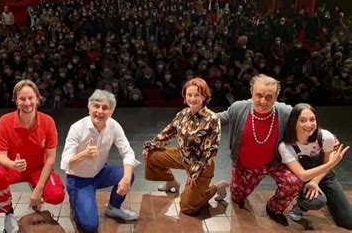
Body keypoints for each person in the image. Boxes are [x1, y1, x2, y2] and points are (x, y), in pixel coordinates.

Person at [218, 74, 303, 226]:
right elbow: (216, 119)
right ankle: (233, 188)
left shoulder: (284, 112)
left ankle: (274, 208)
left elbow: (306, 119)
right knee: (237, 197)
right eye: (259, 95)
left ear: (276, 96)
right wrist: (194, 115)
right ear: (251, 93)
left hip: (273, 162)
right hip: (245, 166)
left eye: (269, 97)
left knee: (295, 182)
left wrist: (325, 138)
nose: (263, 101)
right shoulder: (239, 108)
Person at [0, 79, 65, 233]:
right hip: (14, 168)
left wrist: (39, 189)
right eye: (22, 99)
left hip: (38, 168)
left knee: (57, 196)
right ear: (16, 101)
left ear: (38, 99)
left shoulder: (48, 122)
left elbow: (50, 159)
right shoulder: (5, 121)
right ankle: (8, 213)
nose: (27, 102)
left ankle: (36, 187)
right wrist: (12, 164)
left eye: (31, 98)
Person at [143, 78, 229, 215]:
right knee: (151, 155)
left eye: (197, 95)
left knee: (187, 208)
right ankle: (171, 182)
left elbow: (210, 151)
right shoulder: (183, 114)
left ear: (204, 96)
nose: (193, 98)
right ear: (185, 96)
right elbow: (168, 132)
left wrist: (194, 172)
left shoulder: (212, 119)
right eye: (189, 95)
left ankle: (217, 187)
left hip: (201, 165)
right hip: (182, 156)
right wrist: (150, 145)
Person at [61, 89, 140, 232]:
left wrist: (127, 179)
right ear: (89, 108)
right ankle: (76, 204)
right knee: (90, 227)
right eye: (96, 106)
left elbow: (128, 152)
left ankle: (114, 208)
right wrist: (83, 154)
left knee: (127, 173)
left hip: (99, 172)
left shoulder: (113, 125)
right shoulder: (77, 128)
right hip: (78, 179)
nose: (100, 111)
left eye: (105, 108)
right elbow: (65, 162)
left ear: (111, 112)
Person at [278, 103, 351, 229]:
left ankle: (331, 200)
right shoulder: (286, 146)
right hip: (301, 180)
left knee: (348, 221)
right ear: (293, 122)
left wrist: (316, 181)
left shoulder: (325, 137)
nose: (309, 124)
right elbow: (302, 175)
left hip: (324, 176)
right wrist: (331, 163)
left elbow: (326, 165)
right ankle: (300, 206)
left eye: (312, 120)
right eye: (303, 120)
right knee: (317, 201)